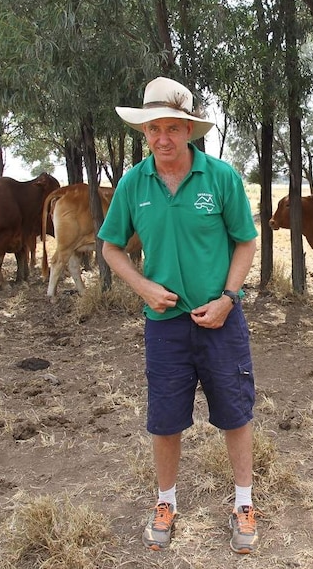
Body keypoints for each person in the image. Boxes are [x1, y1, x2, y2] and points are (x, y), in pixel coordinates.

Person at [97, 77, 260, 554]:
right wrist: (143, 286)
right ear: (144, 133)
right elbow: (111, 248)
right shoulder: (134, 183)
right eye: (153, 129)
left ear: (189, 130)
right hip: (164, 326)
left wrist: (230, 297)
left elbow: (246, 241)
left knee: (235, 412)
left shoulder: (221, 178)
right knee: (165, 419)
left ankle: (244, 504)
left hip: (221, 319)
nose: (162, 138)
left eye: (172, 128)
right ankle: (165, 502)